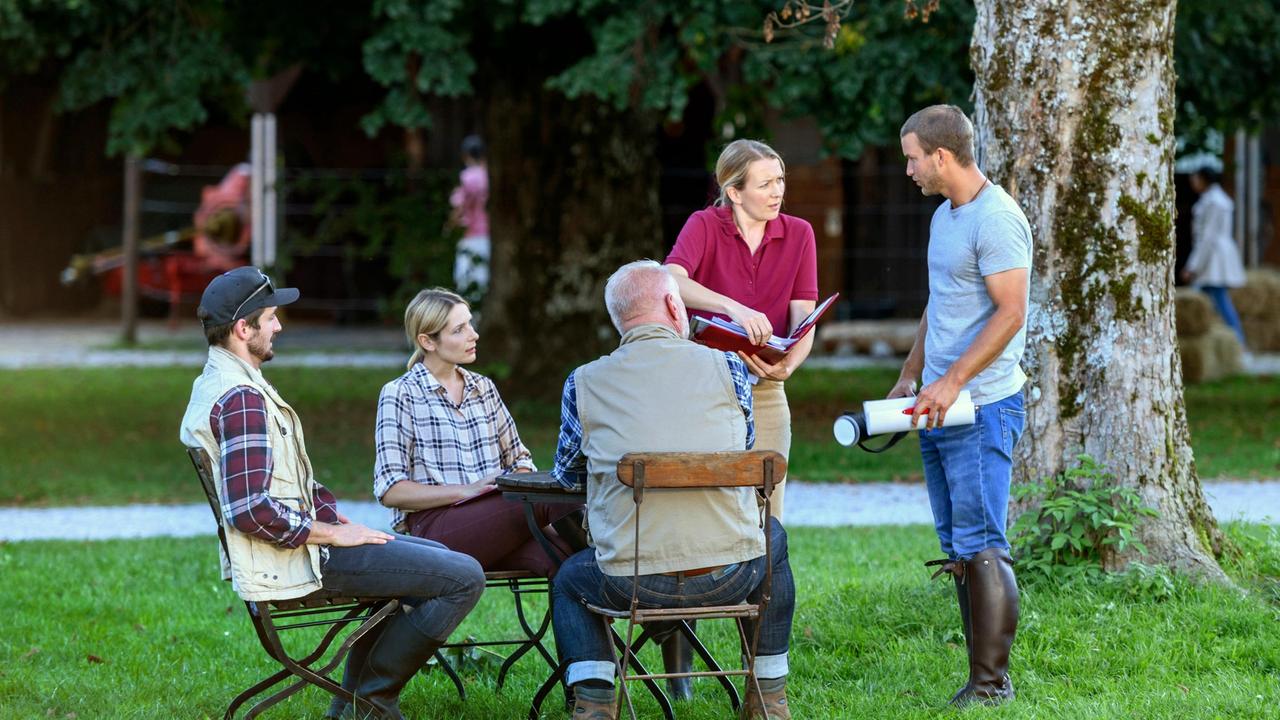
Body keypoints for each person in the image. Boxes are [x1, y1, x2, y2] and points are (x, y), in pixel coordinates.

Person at [179, 267, 485, 720]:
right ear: (243, 329)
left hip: (298, 549)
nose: (279, 326)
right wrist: (328, 534)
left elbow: (288, 480)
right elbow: (249, 509)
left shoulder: (222, 382)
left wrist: (332, 516)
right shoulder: (241, 396)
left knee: (435, 556)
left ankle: (351, 703)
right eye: (271, 318)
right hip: (293, 560)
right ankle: (371, 700)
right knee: (464, 577)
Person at [549, 260, 796, 720]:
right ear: (672, 306)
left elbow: (566, 476)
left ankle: (596, 706)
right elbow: (739, 450)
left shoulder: (583, 382)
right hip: (732, 571)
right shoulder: (728, 367)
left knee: (568, 581)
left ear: (619, 319)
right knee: (773, 538)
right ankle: (768, 698)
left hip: (630, 582)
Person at [890, 105, 1032, 706]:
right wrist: (912, 372)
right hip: (938, 402)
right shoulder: (945, 218)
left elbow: (1012, 312)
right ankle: (980, 676)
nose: (909, 170)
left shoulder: (997, 219)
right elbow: (940, 301)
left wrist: (953, 383)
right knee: (957, 544)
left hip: (982, 406)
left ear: (942, 157)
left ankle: (991, 684)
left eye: (912, 158)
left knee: (981, 542)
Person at [373, 287, 585, 578]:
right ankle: (618, 565)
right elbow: (391, 490)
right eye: (459, 329)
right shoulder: (400, 394)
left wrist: (527, 504)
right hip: (436, 529)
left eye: (470, 323)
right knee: (554, 495)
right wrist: (466, 491)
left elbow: (520, 459)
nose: (474, 335)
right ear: (427, 341)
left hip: (495, 520)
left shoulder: (482, 387)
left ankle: (621, 600)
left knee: (566, 561)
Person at [664, 139, 819, 521]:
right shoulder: (704, 224)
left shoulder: (800, 233)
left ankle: (766, 581)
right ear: (734, 192)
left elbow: (804, 317)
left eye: (780, 180)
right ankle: (712, 581)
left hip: (766, 385)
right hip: (705, 382)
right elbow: (670, 279)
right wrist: (733, 308)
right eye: (765, 184)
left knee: (769, 498)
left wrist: (789, 366)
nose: (778, 191)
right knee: (708, 498)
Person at [1182, 166, 1247, 346]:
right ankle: (1235, 344)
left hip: (1214, 258)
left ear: (1204, 180)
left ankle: (1238, 344)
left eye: (1195, 179)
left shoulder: (1214, 202)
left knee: (1217, 298)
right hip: (1213, 256)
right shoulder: (1214, 200)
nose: (1193, 183)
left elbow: (1207, 238)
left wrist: (1192, 267)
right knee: (1213, 298)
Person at [449, 135, 490, 301]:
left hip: (472, 235)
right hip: (490, 236)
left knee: (466, 279)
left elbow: (460, 208)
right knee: (485, 277)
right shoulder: (491, 176)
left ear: (465, 155)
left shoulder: (468, 177)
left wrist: (450, 225)